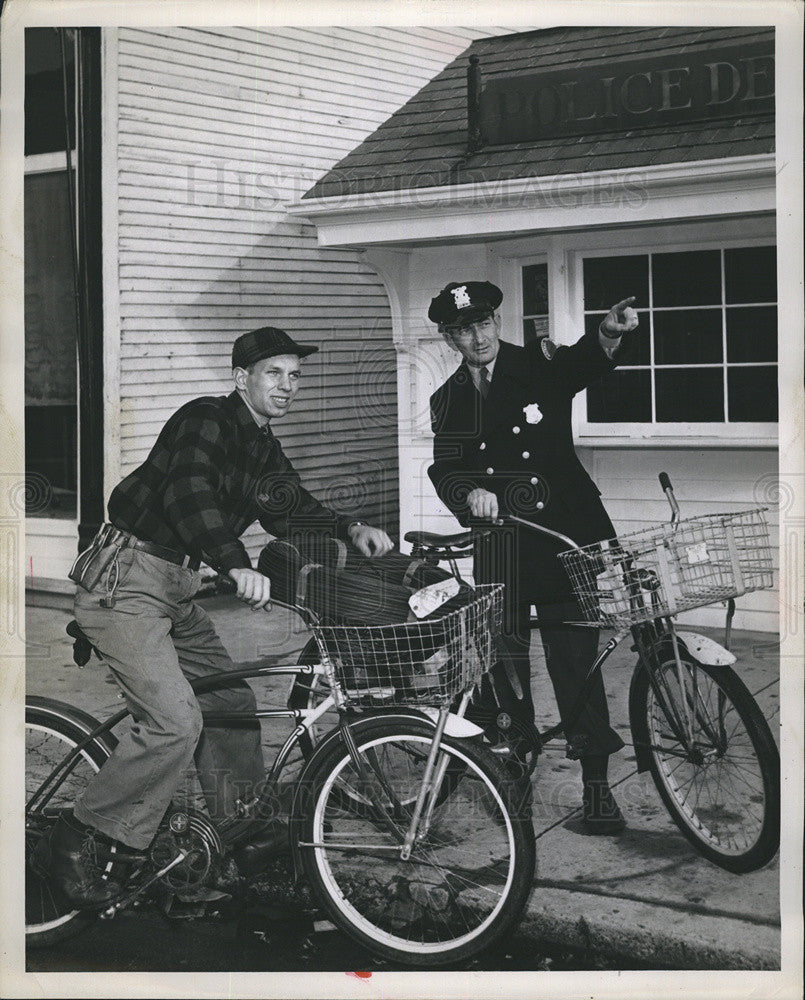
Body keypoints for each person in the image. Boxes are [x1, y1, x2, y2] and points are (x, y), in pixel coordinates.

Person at [33, 326, 393, 907]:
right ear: (240, 378)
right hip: (127, 581)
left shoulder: (261, 442)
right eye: (274, 373)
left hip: (174, 588)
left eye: (294, 375)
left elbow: (289, 502)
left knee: (228, 702)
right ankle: (79, 837)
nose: (287, 385)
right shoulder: (205, 418)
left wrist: (348, 526)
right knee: (176, 722)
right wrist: (234, 560)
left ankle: (241, 829)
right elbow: (188, 491)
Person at [426, 281, 639, 834]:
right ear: (451, 338)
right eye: (465, 330)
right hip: (503, 544)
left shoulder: (538, 365)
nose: (479, 337)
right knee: (506, 667)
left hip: (564, 531)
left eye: (486, 324)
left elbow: (578, 368)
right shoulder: (446, 400)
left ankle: (597, 793)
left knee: (577, 665)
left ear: (498, 322)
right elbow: (444, 469)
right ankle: (513, 773)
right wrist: (466, 495)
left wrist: (606, 338)